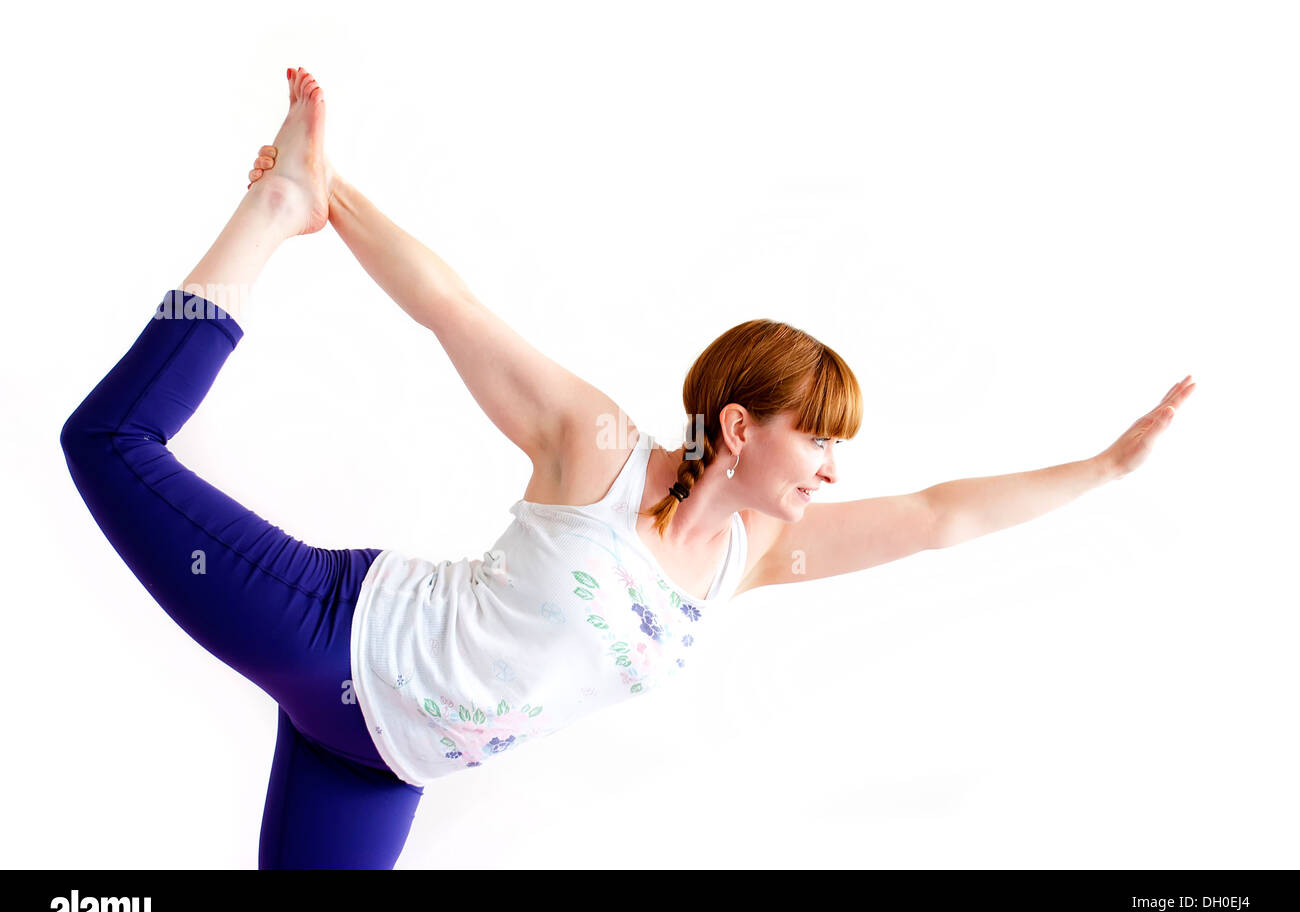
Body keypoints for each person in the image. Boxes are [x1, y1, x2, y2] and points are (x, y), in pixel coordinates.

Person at [61, 67, 1196, 870]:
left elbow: (943, 517)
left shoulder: (750, 559)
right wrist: (324, 195)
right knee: (107, 445)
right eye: (820, 441)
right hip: (332, 628)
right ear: (744, 429)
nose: (834, 474)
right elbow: (451, 310)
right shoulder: (596, 450)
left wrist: (1103, 468)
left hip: (377, 764)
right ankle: (268, 215)